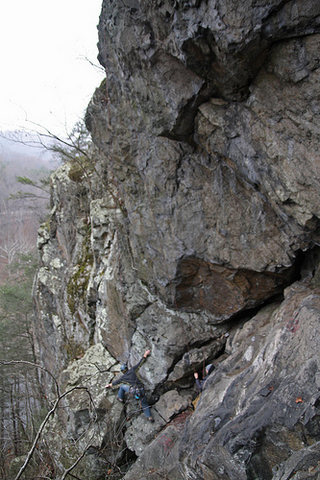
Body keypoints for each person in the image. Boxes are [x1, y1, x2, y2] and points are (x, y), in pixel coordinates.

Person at [105, 349, 154, 422]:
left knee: (122, 386)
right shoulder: (132, 370)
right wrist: (145, 354)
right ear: (127, 368)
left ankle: (120, 398)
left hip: (134, 391)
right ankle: (149, 417)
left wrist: (109, 385)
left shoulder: (123, 377)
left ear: (122, 371)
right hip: (141, 389)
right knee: (144, 403)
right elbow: (140, 363)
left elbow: (116, 382)